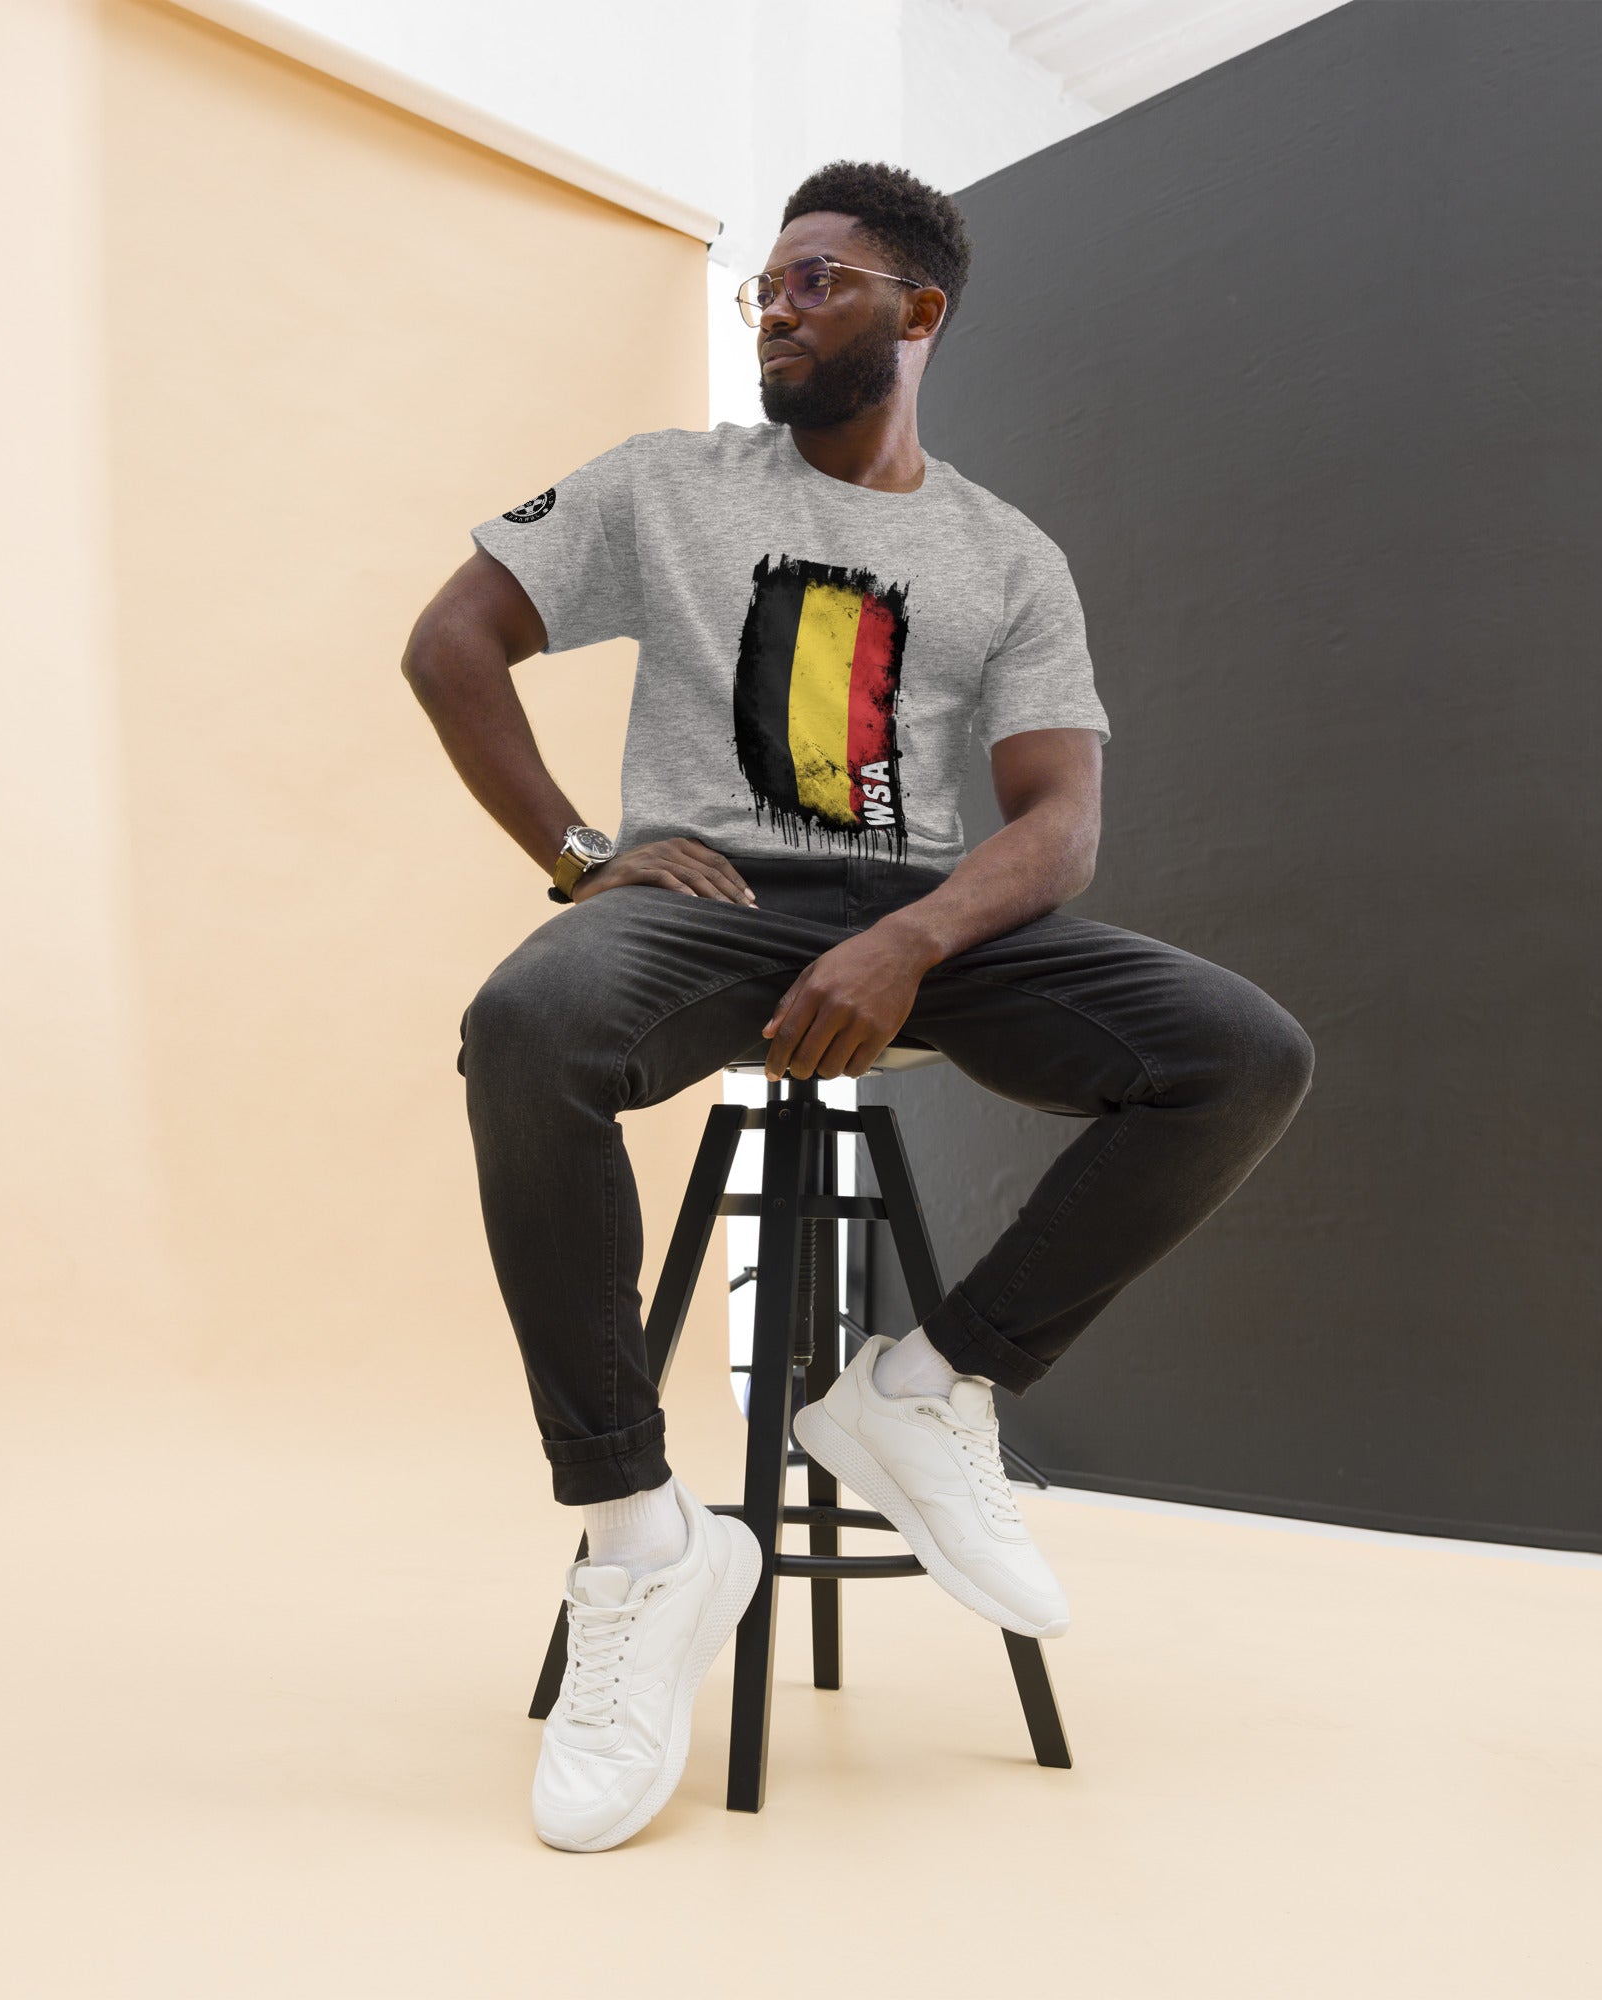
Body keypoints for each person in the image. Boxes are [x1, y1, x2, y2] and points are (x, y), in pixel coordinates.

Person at [402, 160, 1315, 1852]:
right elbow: (451, 640)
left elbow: (1060, 823)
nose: (776, 305)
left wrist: (910, 943)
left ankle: (922, 1388)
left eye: (817, 281)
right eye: (765, 283)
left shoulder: (1003, 555)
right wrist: (586, 852)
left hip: (926, 915)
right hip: (711, 902)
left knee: (1240, 1053)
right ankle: (641, 1543)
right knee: (526, 1030)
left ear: (918, 311)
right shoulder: (665, 484)